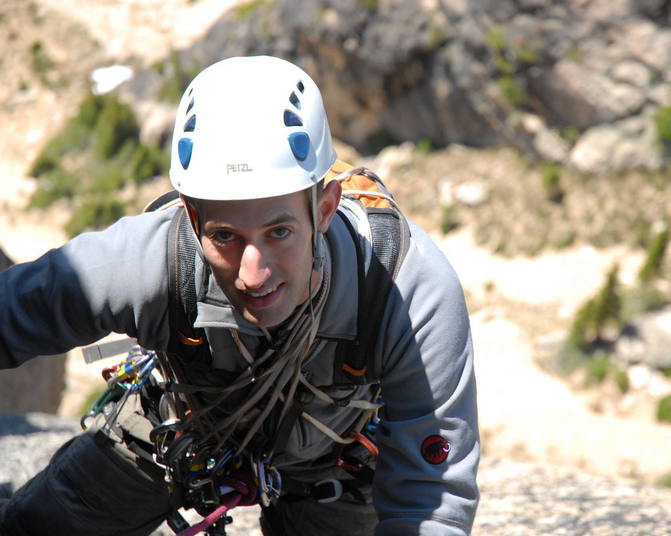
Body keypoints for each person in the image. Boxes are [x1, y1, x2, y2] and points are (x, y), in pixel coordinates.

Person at [0, 55, 479, 535]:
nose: (254, 274)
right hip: (177, 430)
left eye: (279, 232)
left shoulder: (406, 287)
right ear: (190, 218)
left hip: (336, 463)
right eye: (225, 236)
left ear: (326, 209)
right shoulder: (150, 261)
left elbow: (431, 503)